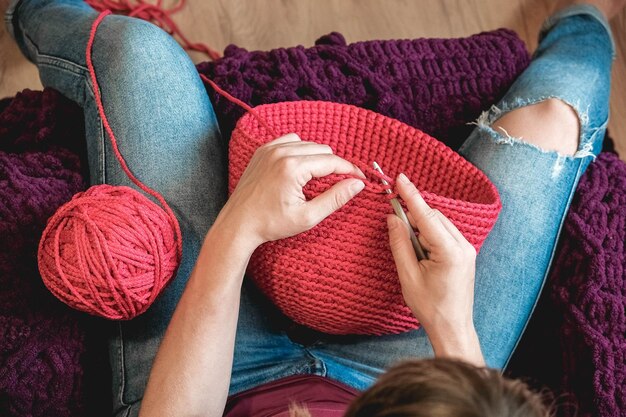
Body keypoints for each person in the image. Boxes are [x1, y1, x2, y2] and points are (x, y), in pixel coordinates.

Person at [4, 0, 621, 415]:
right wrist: (451, 324)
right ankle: (583, 16)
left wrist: (235, 231)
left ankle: (32, 9)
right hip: (411, 376)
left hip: (219, 389)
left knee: (138, 52)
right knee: (550, 118)